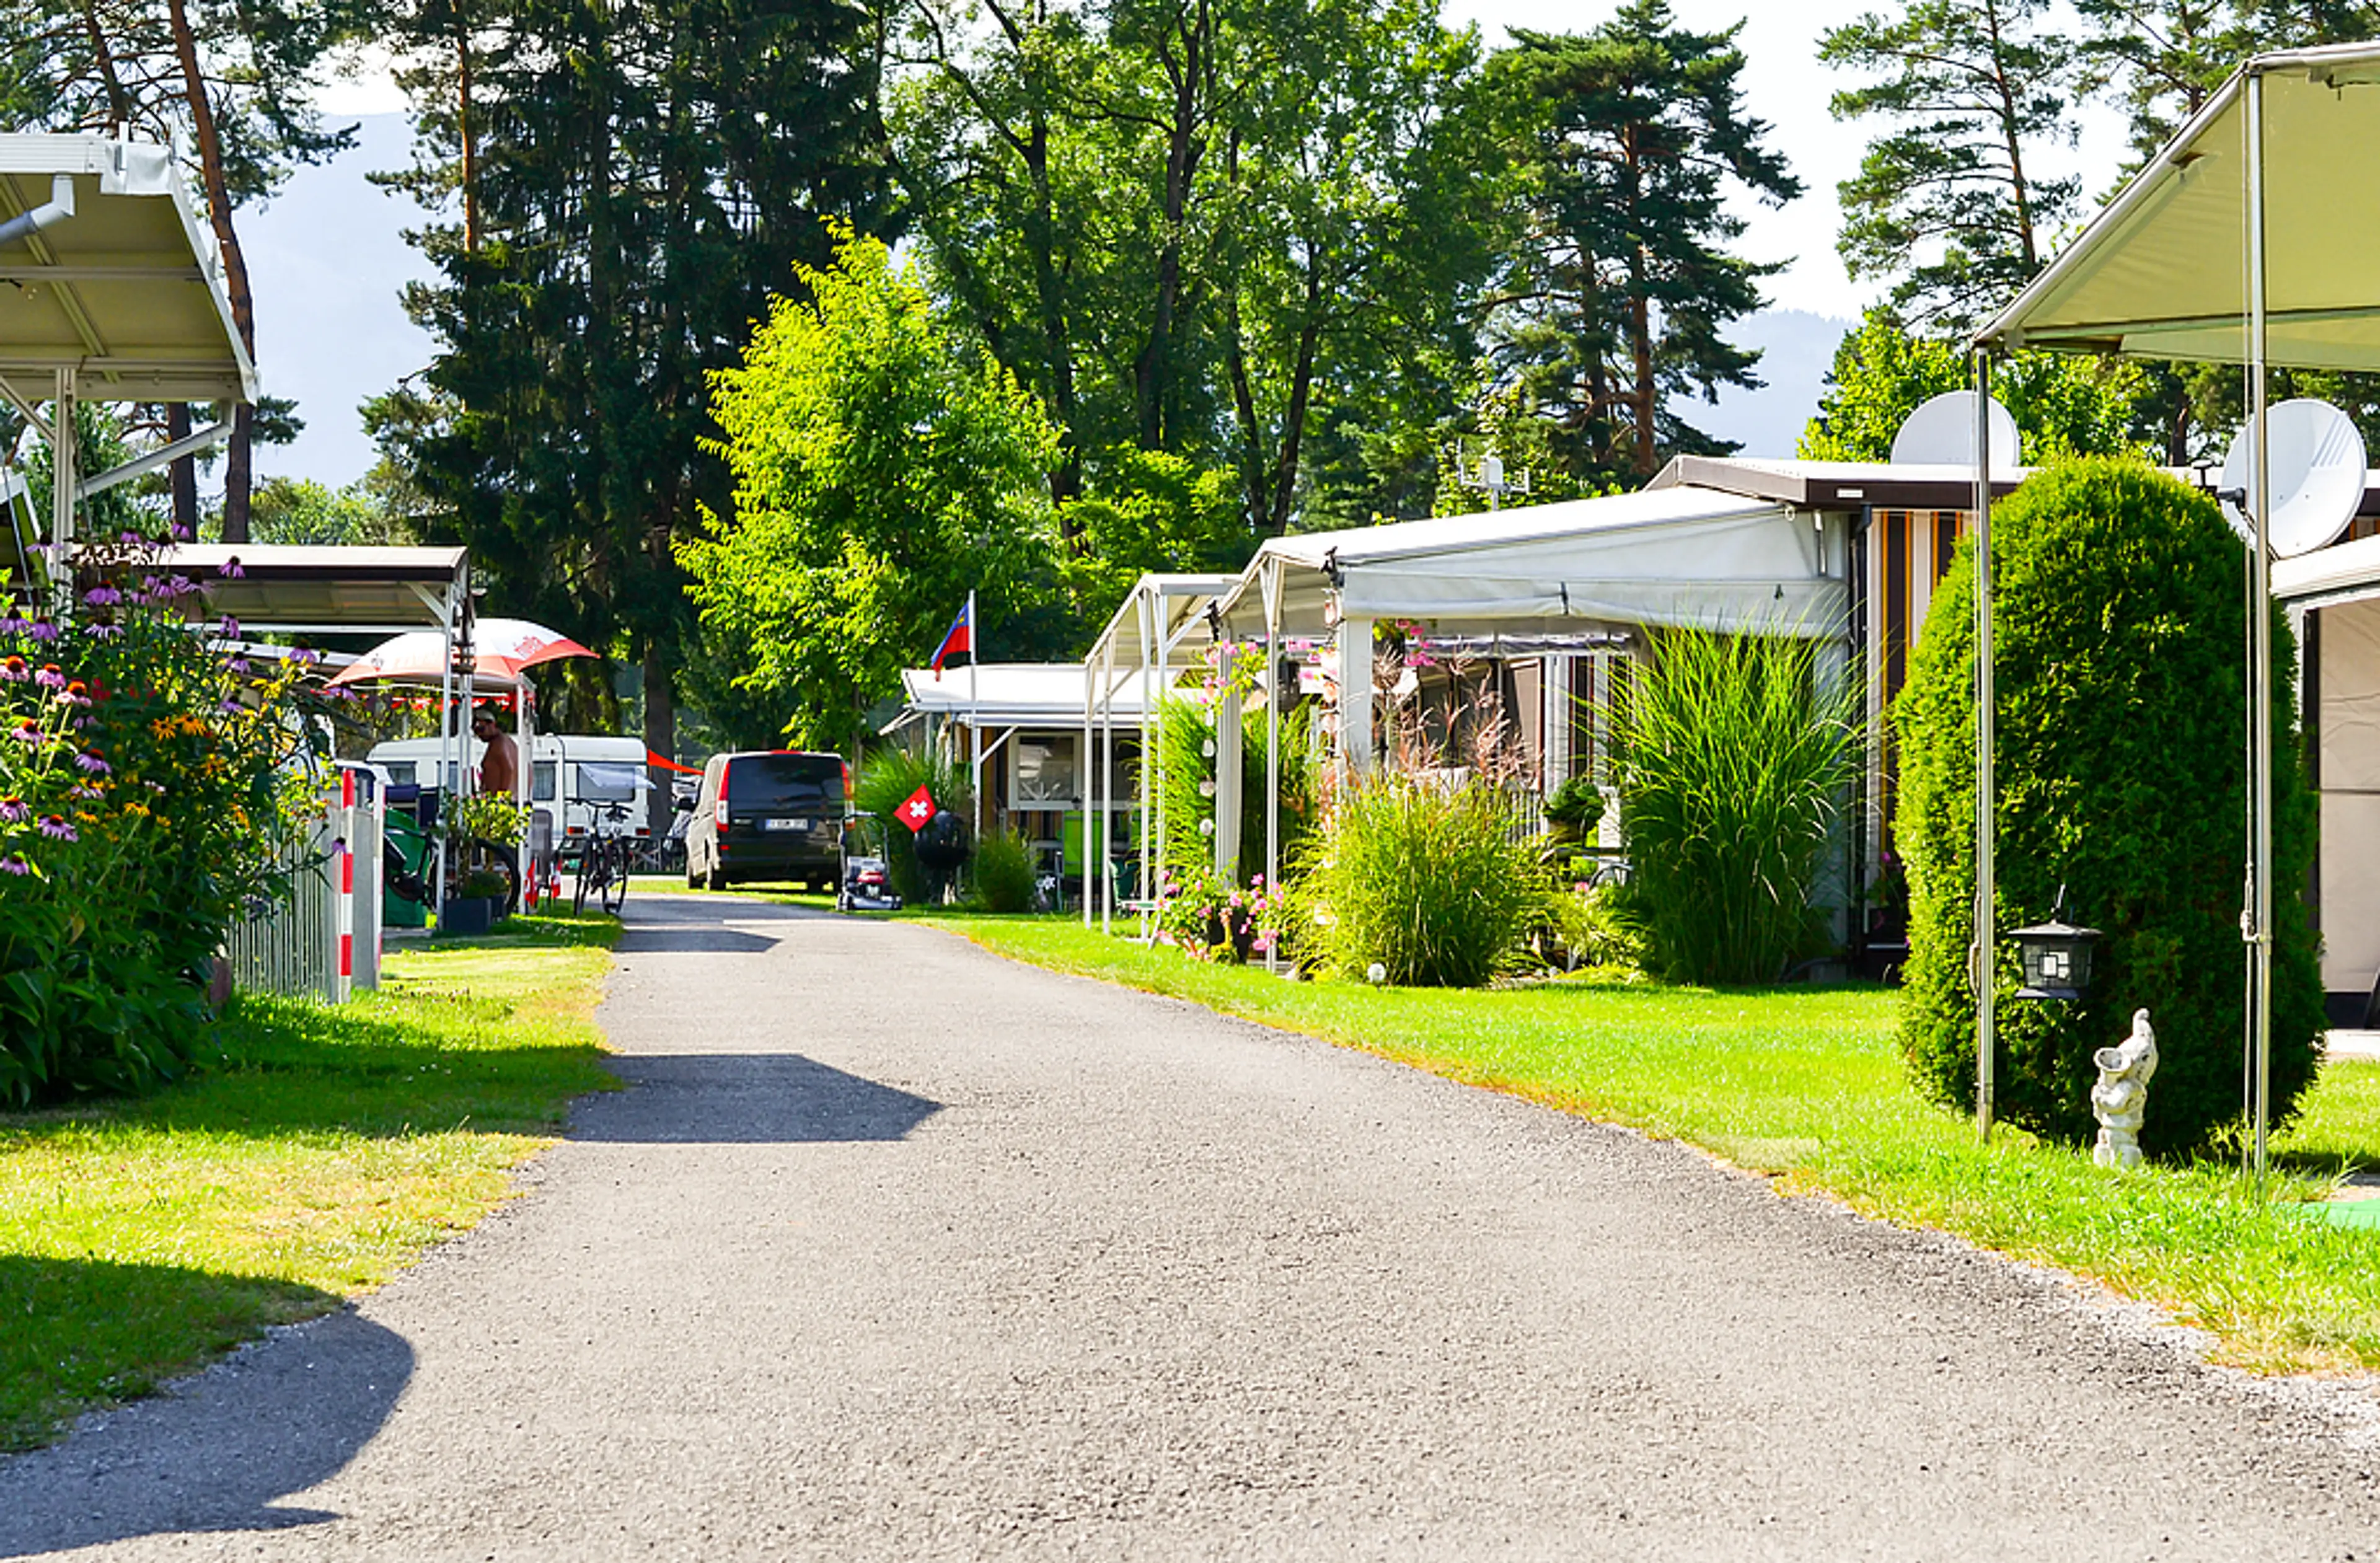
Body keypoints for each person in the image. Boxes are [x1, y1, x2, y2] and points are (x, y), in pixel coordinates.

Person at [473, 709, 519, 796]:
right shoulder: (510, 743)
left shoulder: (499, 744)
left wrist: (502, 797)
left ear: (492, 724)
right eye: (476, 731)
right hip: (513, 800)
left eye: (481, 729)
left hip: (501, 803)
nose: (479, 734)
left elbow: (508, 770)